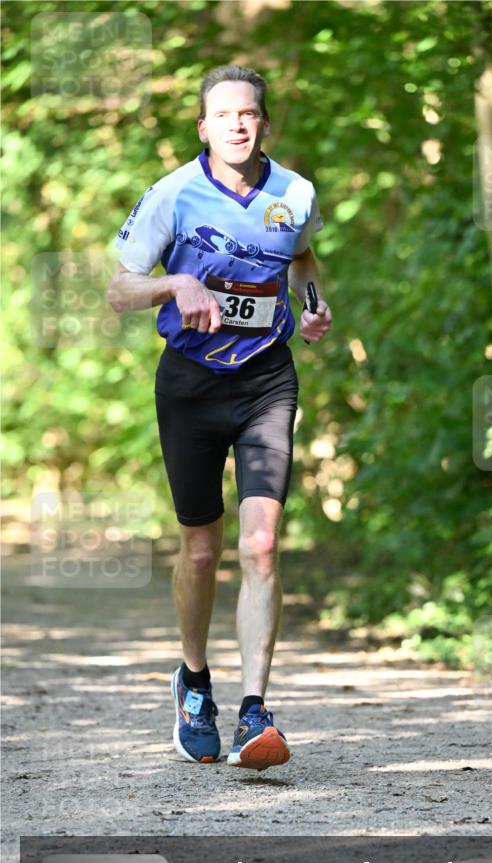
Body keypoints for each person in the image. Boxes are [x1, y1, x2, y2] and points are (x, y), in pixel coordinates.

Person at [107, 65, 332, 770]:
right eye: (224, 114)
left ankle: (254, 711)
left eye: (250, 113)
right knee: (201, 550)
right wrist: (174, 281)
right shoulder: (172, 195)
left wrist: (316, 303)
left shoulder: (295, 193)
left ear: (264, 123)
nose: (238, 123)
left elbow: (302, 260)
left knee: (260, 546)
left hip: (267, 378)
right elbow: (119, 291)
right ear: (203, 127)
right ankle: (195, 684)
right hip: (190, 384)